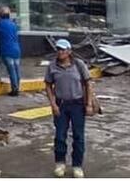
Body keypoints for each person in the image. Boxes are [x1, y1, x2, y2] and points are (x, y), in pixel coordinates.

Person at [45, 39, 94, 178]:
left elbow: (88, 84)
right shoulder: (52, 66)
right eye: (58, 49)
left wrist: (89, 104)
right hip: (61, 105)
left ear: (69, 51)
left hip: (77, 105)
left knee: (78, 136)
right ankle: (60, 163)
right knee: (60, 136)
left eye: (63, 49)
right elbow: (48, 85)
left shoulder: (79, 64)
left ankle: (77, 166)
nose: (60, 52)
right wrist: (53, 104)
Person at [0, 6, 21, 96]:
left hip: (6, 49)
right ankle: (17, 87)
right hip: (16, 49)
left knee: (11, 70)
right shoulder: (13, 24)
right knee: (16, 69)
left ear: (0, 15)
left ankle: (15, 89)